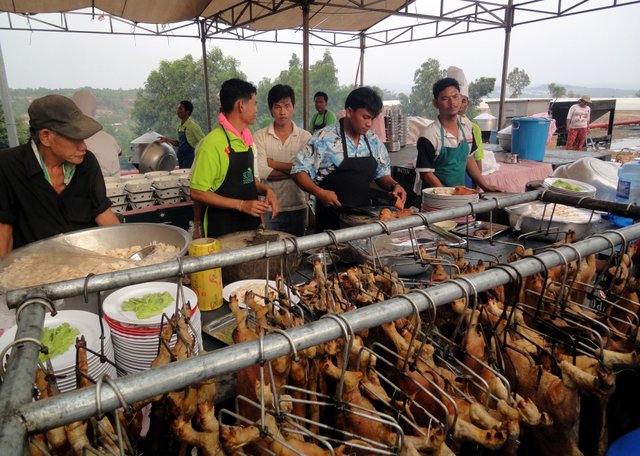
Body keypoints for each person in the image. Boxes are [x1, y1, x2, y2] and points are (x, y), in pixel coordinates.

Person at [0, 94, 120, 256]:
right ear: (46, 137)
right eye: (75, 139)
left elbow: (101, 212)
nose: (83, 146)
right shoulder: (8, 166)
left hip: (87, 258)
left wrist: (128, 254)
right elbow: (4, 229)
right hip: (35, 267)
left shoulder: (87, 162)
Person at [292, 86, 407, 232]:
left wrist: (394, 185)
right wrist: (320, 193)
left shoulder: (373, 141)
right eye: (365, 117)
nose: (369, 124)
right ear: (349, 112)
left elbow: (382, 174)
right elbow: (298, 171)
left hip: (364, 219)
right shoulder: (324, 138)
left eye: (372, 118)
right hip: (330, 220)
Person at [190, 78, 279, 238]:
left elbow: (247, 180)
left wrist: (267, 190)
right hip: (222, 229)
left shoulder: (246, 139)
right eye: (254, 103)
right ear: (241, 105)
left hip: (250, 227)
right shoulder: (212, 144)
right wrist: (241, 205)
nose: (257, 109)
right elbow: (197, 192)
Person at [416, 77, 501, 192]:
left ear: (461, 98)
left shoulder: (467, 126)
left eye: (455, 97)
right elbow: (426, 174)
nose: (452, 103)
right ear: (435, 103)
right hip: (435, 198)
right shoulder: (428, 135)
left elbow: (468, 158)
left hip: (459, 195)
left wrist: (485, 186)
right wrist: (447, 195)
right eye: (445, 99)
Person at [254, 84, 312, 237]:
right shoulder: (260, 136)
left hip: (297, 206)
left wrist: (274, 163)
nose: (282, 112)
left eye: (287, 106)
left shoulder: (305, 137)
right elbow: (262, 171)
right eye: (277, 107)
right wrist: (296, 171)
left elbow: (309, 171)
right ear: (270, 109)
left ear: (293, 107)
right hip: (269, 209)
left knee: (297, 253)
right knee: (271, 255)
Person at [72, 90, 122, 177]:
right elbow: (119, 153)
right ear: (94, 110)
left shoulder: (75, 140)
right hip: (116, 185)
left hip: (95, 186)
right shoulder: (108, 137)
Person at [446, 67, 484, 178]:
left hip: (467, 177)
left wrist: (479, 184)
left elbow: (476, 158)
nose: (459, 105)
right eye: (456, 99)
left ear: (468, 103)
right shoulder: (437, 128)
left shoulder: (472, 128)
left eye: (464, 101)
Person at [158, 100, 205, 168]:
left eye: (180, 109)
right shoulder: (179, 127)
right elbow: (179, 143)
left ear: (187, 112)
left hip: (191, 161)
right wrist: (166, 139)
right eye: (178, 108)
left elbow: (204, 142)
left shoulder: (193, 126)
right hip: (181, 160)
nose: (178, 111)